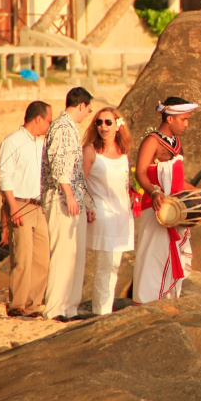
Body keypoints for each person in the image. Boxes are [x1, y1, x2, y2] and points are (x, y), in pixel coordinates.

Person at [132, 97, 197, 303]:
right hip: (156, 208)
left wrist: (196, 191)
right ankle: (146, 301)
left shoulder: (176, 142)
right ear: (170, 119)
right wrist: (154, 193)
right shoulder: (152, 141)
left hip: (176, 210)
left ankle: (169, 300)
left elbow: (178, 179)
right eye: (183, 119)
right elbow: (141, 173)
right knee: (153, 255)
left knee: (172, 255)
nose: (187, 124)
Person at [41, 87, 94, 321]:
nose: (88, 114)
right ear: (81, 105)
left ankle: (70, 307)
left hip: (75, 198)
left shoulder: (72, 128)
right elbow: (59, 164)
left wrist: (87, 202)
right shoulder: (62, 127)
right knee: (62, 254)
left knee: (75, 255)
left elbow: (78, 173)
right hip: (61, 198)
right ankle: (55, 308)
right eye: (88, 110)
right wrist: (70, 195)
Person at [0, 101, 52, 318]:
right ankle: (17, 304)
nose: (49, 125)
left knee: (41, 258)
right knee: (22, 256)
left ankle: (33, 303)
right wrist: (12, 208)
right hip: (19, 203)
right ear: (38, 119)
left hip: (39, 206)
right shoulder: (12, 141)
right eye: (48, 120)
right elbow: (4, 177)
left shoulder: (42, 143)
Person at [82, 107, 135, 315]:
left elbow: (125, 183)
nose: (103, 126)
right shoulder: (90, 151)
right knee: (106, 264)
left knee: (115, 265)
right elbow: (79, 181)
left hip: (122, 214)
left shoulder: (124, 152)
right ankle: (101, 311)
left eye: (108, 122)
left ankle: (106, 308)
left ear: (118, 126)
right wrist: (88, 205)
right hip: (102, 213)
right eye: (99, 122)